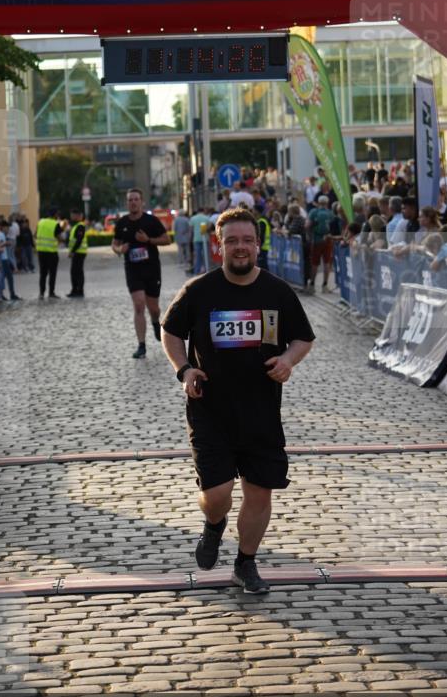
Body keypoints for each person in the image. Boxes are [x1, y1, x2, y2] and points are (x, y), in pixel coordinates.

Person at [161, 208, 315, 595]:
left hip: (261, 411)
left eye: (247, 240)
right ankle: (214, 526)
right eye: (232, 241)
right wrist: (184, 370)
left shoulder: (277, 292)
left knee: (259, 492)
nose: (240, 247)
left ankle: (245, 563)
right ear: (219, 245)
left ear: (258, 245)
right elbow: (170, 332)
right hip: (210, 410)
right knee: (217, 497)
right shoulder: (199, 291)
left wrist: (287, 360)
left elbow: (303, 338)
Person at [112, 187, 170, 358]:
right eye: (130, 200)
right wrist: (119, 249)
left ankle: (155, 322)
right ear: (127, 202)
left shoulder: (151, 221)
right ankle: (141, 345)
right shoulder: (122, 223)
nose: (133, 202)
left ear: (142, 202)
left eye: (136, 199)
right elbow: (114, 244)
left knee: (154, 308)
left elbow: (167, 239)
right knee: (138, 305)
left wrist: (149, 240)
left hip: (151, 269)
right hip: (133, 270)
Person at [306, 194, 334, 291]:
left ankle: (312, 283)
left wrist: (309, 235)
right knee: (327, 262)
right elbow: (333, 227)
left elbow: (307, 225)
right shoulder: (330, 213)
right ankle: (325, 284)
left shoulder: (314, 212)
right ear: (327, 203)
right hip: (328, 240)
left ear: (318, 203)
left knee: (314, 263)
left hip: (316, 240)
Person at [35, 206, 62, 299]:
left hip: (41, 252)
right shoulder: (55, 224)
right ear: (55, 215)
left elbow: (35, 235)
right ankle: (51, 293)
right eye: (57, 214)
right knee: (52, 273)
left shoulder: (41, 222)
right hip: (52, 252)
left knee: (43, 273)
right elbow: (60, 238)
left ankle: (41, 293)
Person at [67, 207, 88, 298]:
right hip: (78, 252)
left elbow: (79, 240)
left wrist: (72, 251)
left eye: (73, 215)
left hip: (79, 252)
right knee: (75, 272)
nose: (71, 216)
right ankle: (75, 290)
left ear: (78, 216)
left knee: (77, 272)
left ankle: (79, 291)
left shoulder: (80, 226)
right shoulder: (76, 226)